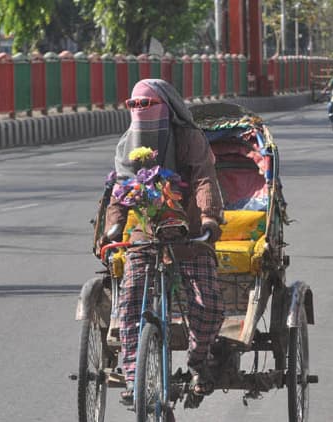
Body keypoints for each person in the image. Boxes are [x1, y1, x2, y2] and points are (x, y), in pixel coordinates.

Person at [102, 79, 225, 404]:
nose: (140, 111)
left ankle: (200, 361)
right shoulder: (126, 143)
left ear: (167, 109)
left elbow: (203, 179)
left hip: (189, 233)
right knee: (128, 306)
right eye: (135, 106)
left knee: (209, 305)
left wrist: (210, 219)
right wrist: (114, 227)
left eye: (147, 105)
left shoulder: (189, 139)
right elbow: (119, 190)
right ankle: (134, 379)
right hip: (144, 236)